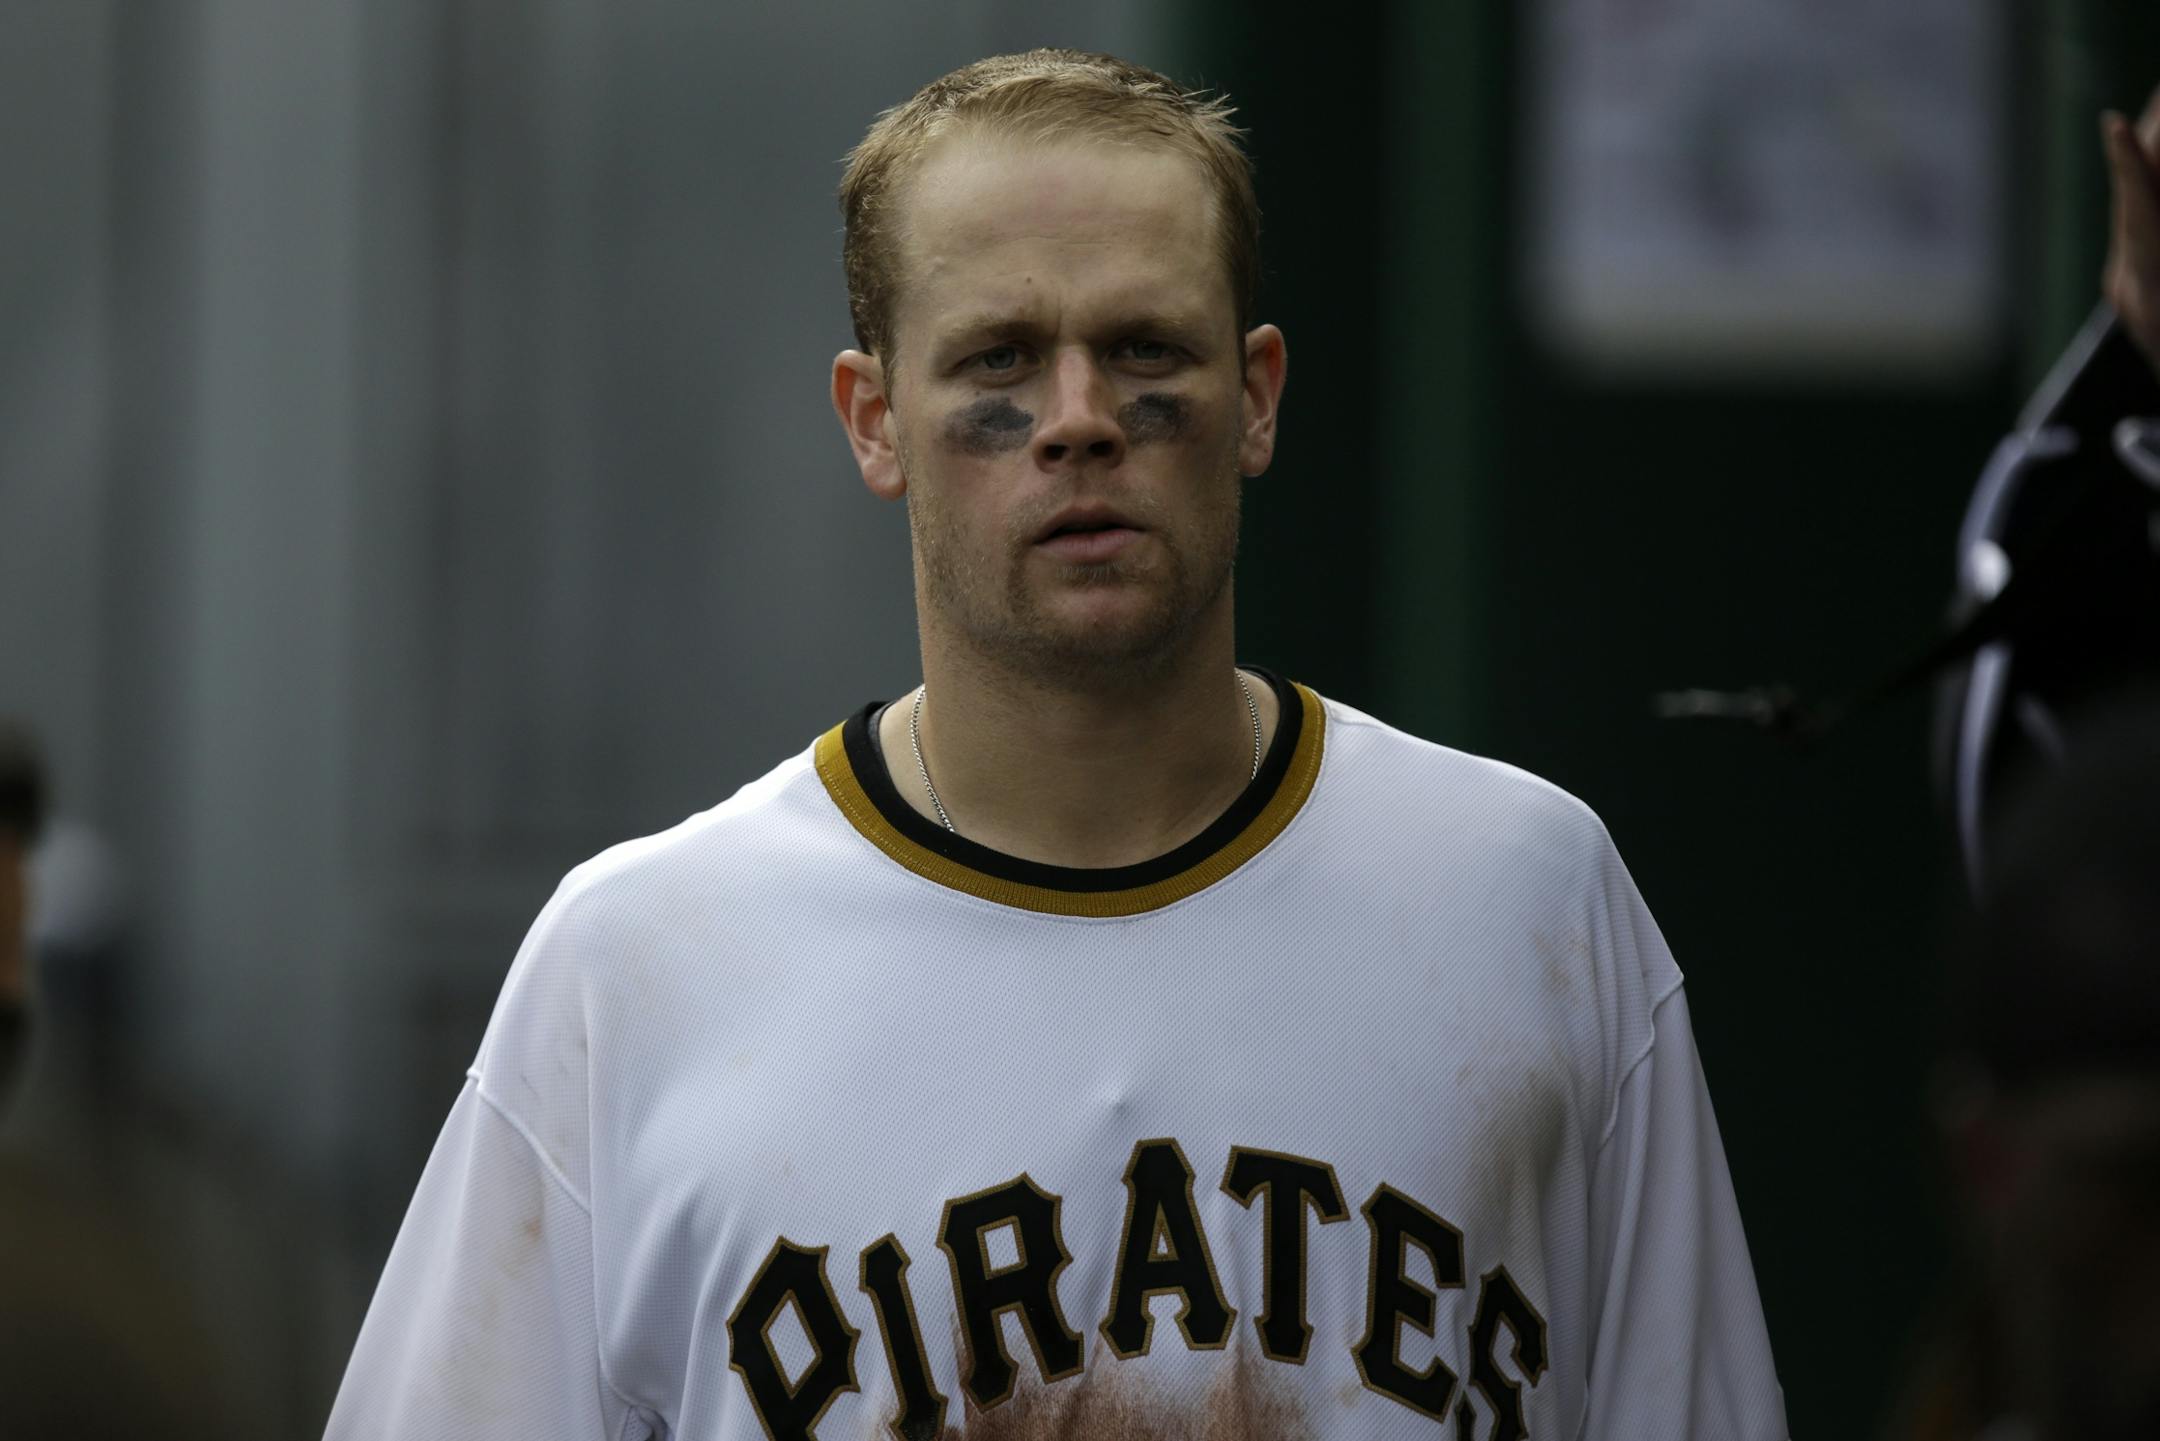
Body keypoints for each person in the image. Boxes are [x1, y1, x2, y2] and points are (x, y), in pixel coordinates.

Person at [326, 51, 1786, 1439]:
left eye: (1145, 347)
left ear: (1259, 394)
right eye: (1000, 358)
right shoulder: (636, 965)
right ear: (874, 417)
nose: (1079, 419)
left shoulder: (1527, 898)